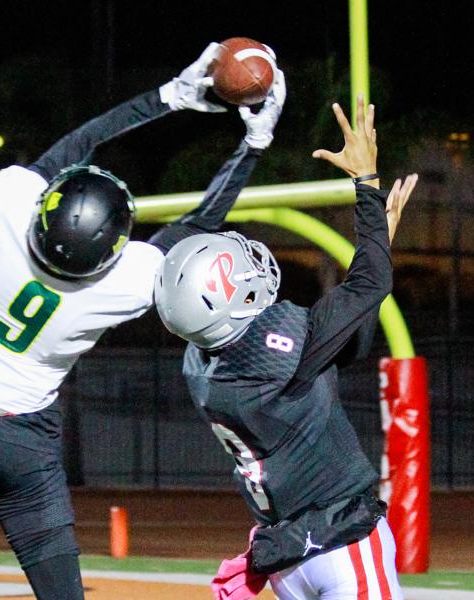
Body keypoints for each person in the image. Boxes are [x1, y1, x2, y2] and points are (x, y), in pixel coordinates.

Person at [0, 41, 287, 600]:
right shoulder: (122, 285)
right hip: (26, 442)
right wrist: (253, 144)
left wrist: (167, 97)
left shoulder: (4, 206)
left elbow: (78, 143)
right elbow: (196, 225)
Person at [154, 95, 418, 600]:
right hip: (341, 540)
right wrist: (366, 183)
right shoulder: (280, 353)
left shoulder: (199, 362)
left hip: (282, 553)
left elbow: (346, 331)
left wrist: (374, 250)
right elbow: (366, 290)